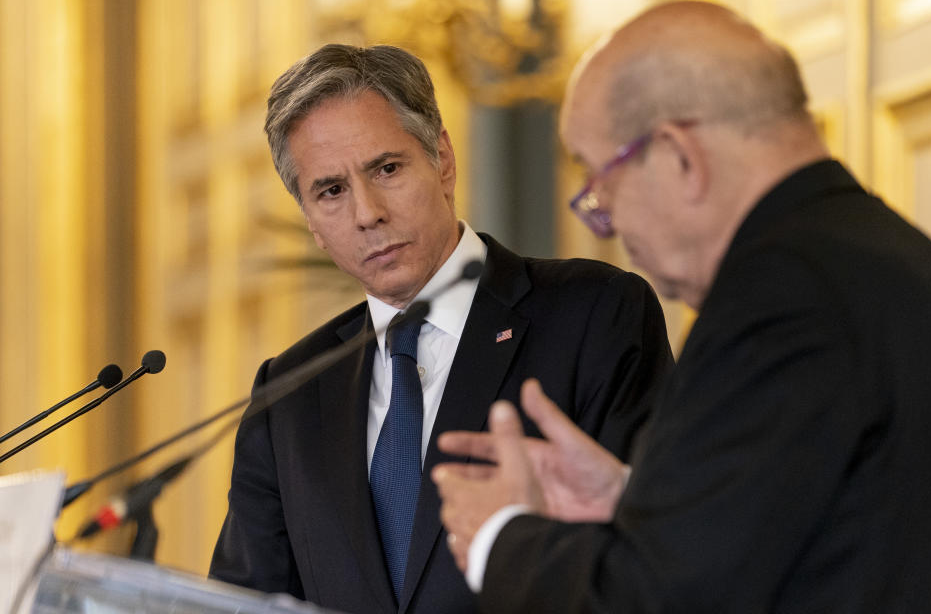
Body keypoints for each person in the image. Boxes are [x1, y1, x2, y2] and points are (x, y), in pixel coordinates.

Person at [433, 0, 931, 613]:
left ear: (680, 157)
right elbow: (821, 517)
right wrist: (631, 500)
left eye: (602, 185)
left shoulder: (776, 297)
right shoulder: (889, 253)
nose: (605, 227)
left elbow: (665, 602)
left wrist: (500, 535)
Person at [208, 44, 674, 614]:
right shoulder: (289, 392)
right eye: (331, 190)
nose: (367, 212)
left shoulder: (594, 314)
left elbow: (659, 552)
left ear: (443, 159)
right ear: (310, 220)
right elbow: (240, 601)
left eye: (387, 168)